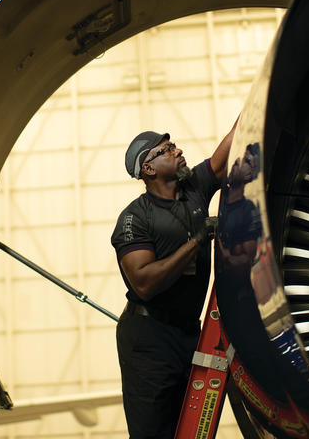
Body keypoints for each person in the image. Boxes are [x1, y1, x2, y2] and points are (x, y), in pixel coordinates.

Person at [111, 120, 237, 438]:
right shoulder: (134, 218)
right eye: (166, 150)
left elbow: (229, 149)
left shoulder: (193, 189)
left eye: (174, 145)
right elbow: (143, 282)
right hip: (149, 338)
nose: (177, 150)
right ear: (148, 168)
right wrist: (197, 240)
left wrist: (261, 87)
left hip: (187, 332)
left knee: (189, 429)